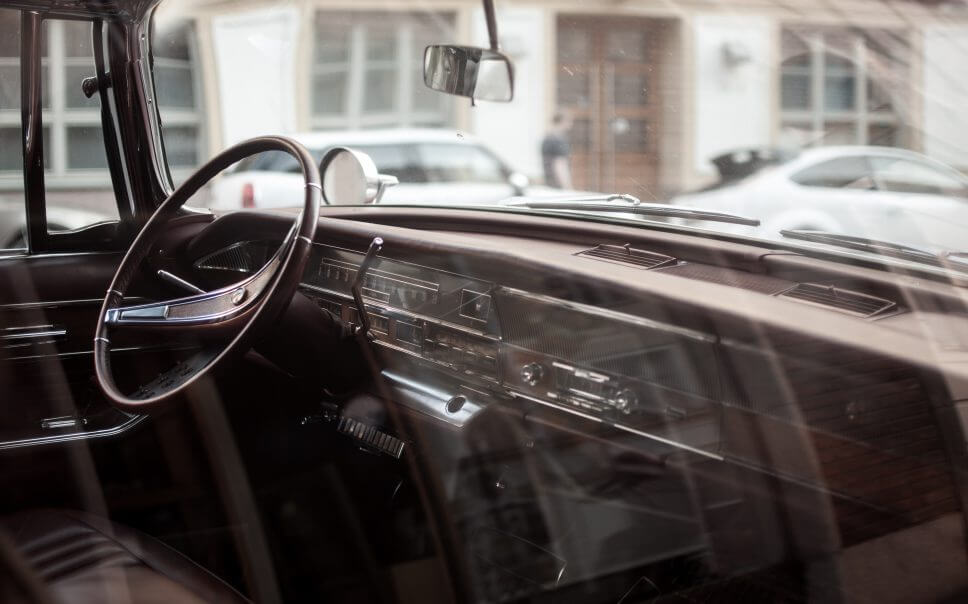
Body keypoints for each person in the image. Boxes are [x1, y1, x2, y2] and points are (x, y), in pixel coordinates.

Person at [541, 112, 573, 189]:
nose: (571, 124)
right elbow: (560, 164)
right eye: (570, 121)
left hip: (549, 183)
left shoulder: (547, 138)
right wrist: (567, 187)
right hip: (558, 186)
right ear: (563, 121)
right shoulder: (558, 140)